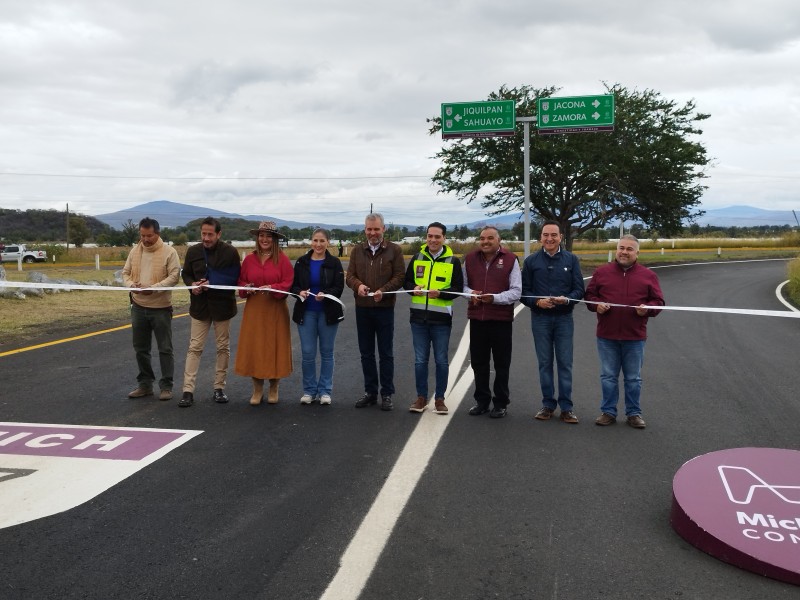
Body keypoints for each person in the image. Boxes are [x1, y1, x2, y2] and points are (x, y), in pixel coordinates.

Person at [585, 234, 665, 429]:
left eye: (629, 249)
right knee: (608, 376)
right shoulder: (601, 272)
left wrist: (647, 308)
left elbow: (659, 302)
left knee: (633, 378)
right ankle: (608, 412)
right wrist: (597, 306)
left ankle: (634, 413)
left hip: (634, 336)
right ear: (616, 249)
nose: (624, 252)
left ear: (637, 253)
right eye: (621, 248)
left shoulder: (648, 276)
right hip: (607, 335)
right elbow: (589, 296)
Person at [520, 221, 585, 423]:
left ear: (561, 237)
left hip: (564, 318)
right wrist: (537, 302)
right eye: (546, 235)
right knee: (545, 363)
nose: (549, 239)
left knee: (565, 363)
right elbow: (523, 292)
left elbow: (579, 290)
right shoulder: (531, 262)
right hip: (540, 319)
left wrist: (567, 299)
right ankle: (548, 405)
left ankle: (567, 408)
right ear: (540, 237)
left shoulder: (572, 259)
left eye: (554, 235)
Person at [178, 217, 241, 408]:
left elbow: (234, 277)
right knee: (194, 347)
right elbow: (186, 273)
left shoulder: (230, 252)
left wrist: (211, 282)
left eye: (210, 234)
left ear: (219, 234)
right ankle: (187, 391)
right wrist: (192, 286)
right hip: (199, 307)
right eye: (203, 234)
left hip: (222, 307)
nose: (206, 238)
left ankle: (219, 388)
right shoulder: (193, 251)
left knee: (223, 347)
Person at [345, 212, 405, 411]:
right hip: (363, 309)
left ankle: (386, 393)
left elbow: (399, 277)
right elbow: (350, 276)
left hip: (385, 309)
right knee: (366, 354)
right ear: (365, 230)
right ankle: (370, 392)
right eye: (369, 229)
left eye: (376, 229)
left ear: (383, 229)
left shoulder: (394, 250)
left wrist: (384, 291)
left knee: (386, 353)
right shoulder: (356, 251)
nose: (373, 233)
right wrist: (358, 286)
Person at [403, 222, 463, 415]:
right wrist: (414, 287)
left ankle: (439, 399)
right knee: (420, 360)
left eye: (437, 236)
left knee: (441, 360)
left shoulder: (452, 261)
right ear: (426, 237)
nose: (433, 240)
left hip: (441, 320)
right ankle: (421, 398)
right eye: (430, 236)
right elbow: (406, 283)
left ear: (444, 238)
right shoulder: (417, 257)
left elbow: (458, 289)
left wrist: (442, 294)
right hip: (418, 319)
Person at [463, 226, 521, 418]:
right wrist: (470, 294)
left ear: (499, 240)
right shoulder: (470, 259)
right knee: (479, 363)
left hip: (501, 320)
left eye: (490, 238)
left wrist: (494, 298)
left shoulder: (511, 259)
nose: (485, 242)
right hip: (477, 319)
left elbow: (516, 291)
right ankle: (482, 401)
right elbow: (461, 286)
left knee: (501, 363)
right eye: (482, 238)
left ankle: (501, 403)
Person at [234, 221, 294, 406]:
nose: (264, 239)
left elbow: (288, 282)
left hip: (275, 308)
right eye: (261, 235)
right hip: (254, 310)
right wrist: (247, 288)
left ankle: (274, 387)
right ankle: (257, 388)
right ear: (257, 238)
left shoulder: (282, 260)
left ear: (274, 239)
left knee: (273, 347)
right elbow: (240, 282)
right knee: (255, 347)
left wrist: (274, 288)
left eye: (268, 236)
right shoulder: (249, 260)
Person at [122, 217, 181, 401]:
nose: (145, 239)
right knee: (140, 348)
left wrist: (154, 287)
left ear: (158, 233)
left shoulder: (170, 252)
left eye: (149, 236)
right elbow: (125, 273)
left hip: (161, 308)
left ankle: (166, 386)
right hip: (138, 307)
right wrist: (132, 285)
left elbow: (174, 276)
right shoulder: (134, 251)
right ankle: (145, 385)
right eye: (142, 235)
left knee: (165, 348)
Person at [291, 228, 345, 405]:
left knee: (327, 352)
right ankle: (309, 391)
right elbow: (293, 286)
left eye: (322, 241)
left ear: (328, 242)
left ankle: (325, 391)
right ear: (311, 242)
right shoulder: (301, 262)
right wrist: (300, 292)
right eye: (315, 240)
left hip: (327, 313)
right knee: (307, 353)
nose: (318, 244)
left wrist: (326, 293)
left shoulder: (335, 262)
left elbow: (339, 287)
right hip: (306, 313)